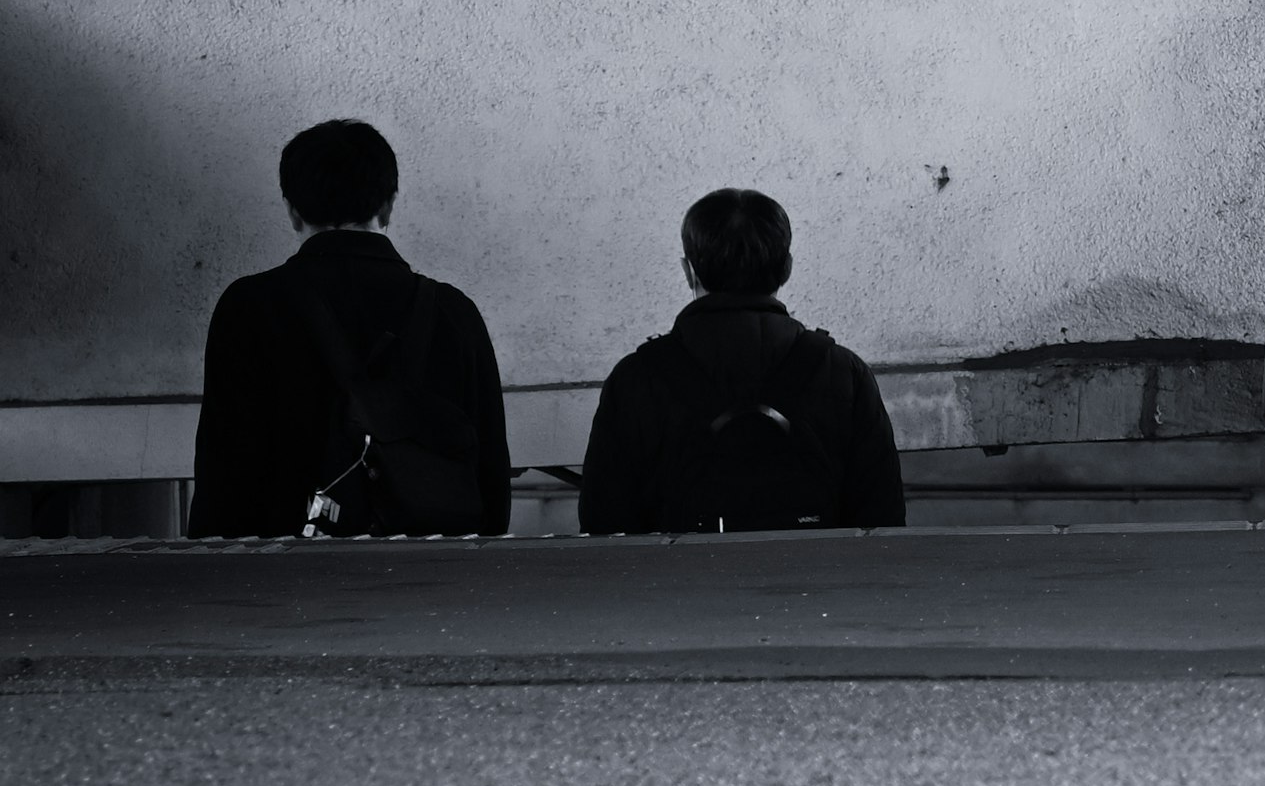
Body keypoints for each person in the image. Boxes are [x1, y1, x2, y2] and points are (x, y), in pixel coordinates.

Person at [189, 120, 512, 542]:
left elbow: (224, 473)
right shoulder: (454, 313)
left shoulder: (249, 307)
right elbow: (490, 478)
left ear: (292, 210)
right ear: (389, 205)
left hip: (283, 579)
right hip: (434, 574)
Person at [579, 187, 905, 538]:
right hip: (814, 584)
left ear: (688, 272)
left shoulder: (636, 378)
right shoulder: (844, 372)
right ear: (787, 268)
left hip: (677, 587)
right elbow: (881, 520)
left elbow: (605, 523)